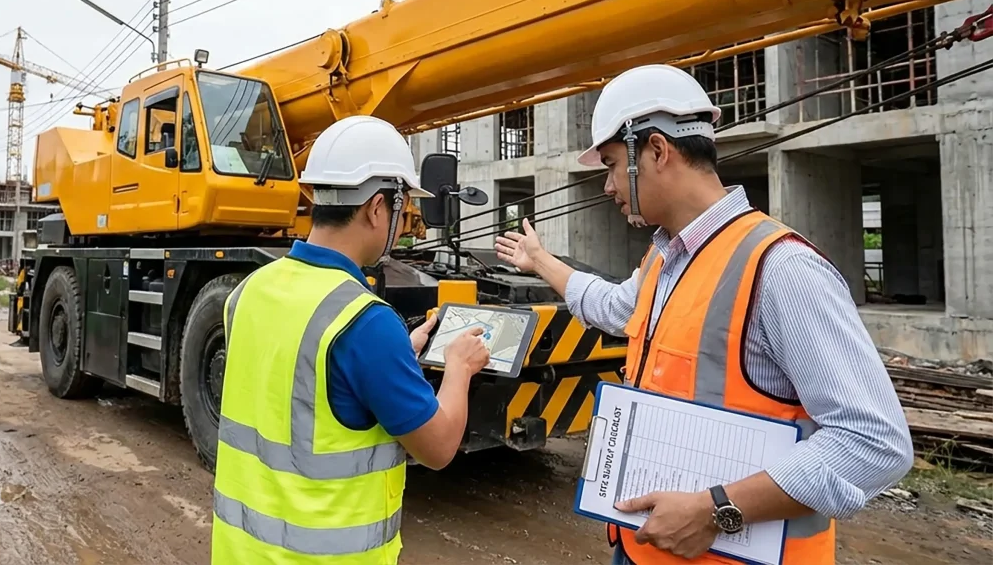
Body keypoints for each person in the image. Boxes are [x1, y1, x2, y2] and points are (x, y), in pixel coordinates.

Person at [494, 64, 913, 565]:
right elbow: (611, 307)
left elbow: (874, 442)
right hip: (643, 549)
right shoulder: (663, 260)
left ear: (655, 150)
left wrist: (718, 511)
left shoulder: (781, 268)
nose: (607, 185)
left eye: (608, 164)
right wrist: (538, 260)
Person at [211, 115, 492, 564]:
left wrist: (401, 353)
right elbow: (438, 448)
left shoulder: (249, 291)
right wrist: (458, 368)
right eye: (403, 211)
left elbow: (300, 385)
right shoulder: (365, 323)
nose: (403, 227)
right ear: (377, 207)